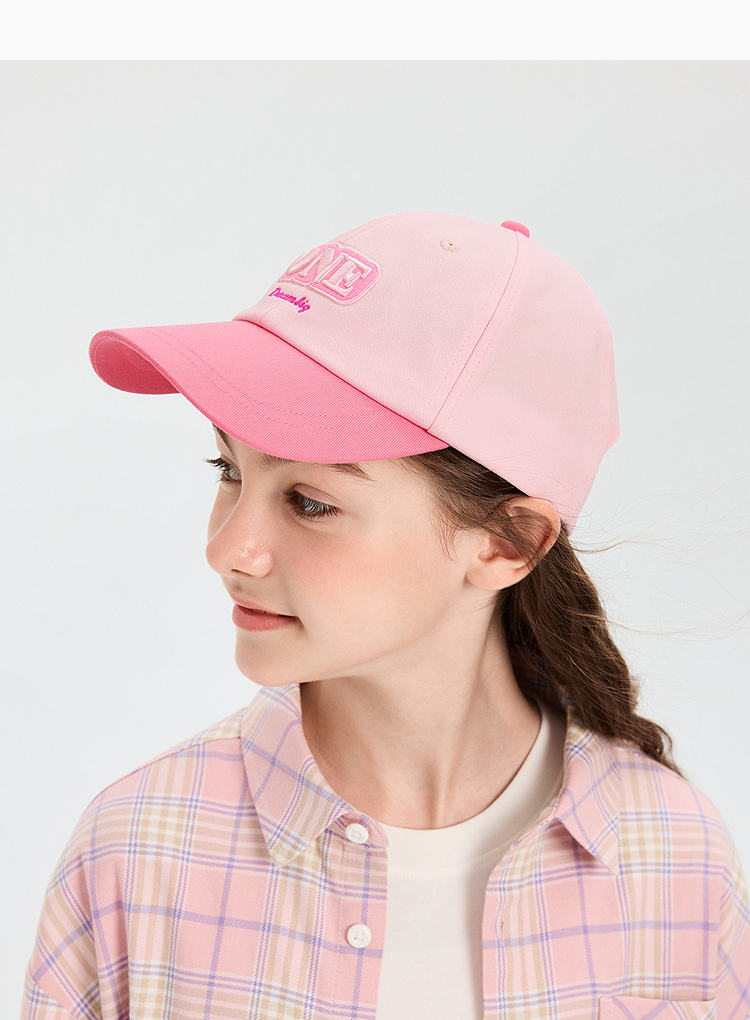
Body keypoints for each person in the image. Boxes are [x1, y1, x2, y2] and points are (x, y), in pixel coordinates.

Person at [22, 212, 750, 1020]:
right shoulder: (137, 854)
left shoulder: (672, 858)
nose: (227, 549)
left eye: (309, 501)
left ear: (508, 543)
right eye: (228, 470)